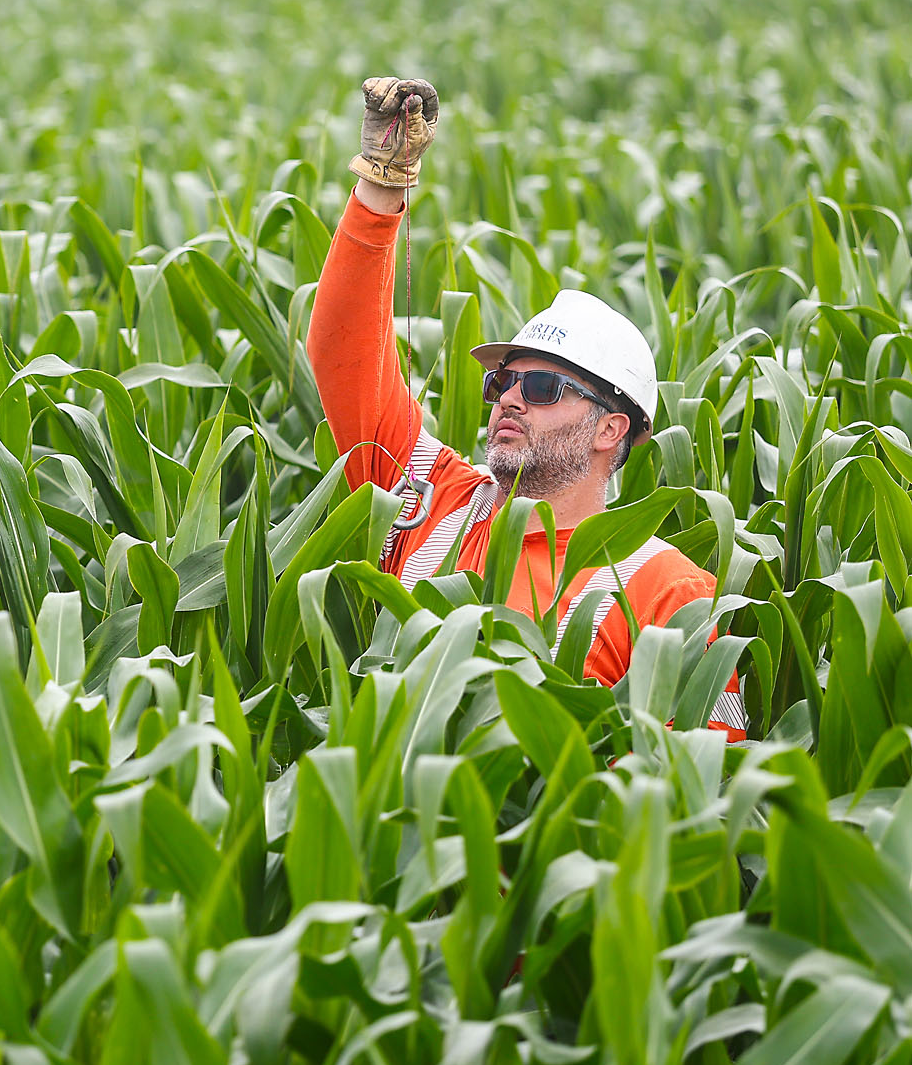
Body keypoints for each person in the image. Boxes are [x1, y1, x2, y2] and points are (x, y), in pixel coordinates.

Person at [306, 76, 746, 740]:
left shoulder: (672, 596)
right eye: (502, 383)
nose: (509, 397)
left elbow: (703, 787)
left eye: (541, 388)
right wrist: (382, 181)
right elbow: (342, 351)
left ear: (610, 428)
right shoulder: (432, 501)